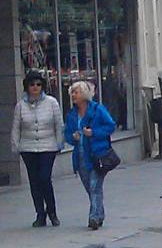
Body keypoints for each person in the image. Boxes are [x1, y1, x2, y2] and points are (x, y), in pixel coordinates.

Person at [10, 71, 63, 227]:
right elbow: (16, 127)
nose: (35, 87)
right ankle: (40, 214)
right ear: (27, 86)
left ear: (42, 86)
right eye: (32, 84)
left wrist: (59, 143)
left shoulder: (52, 103)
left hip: (48, 146)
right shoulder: (20, 106)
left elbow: (59, 125)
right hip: (28, 148)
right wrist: (16, 146)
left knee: (45, 178)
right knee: (34, 181)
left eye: (38, 84)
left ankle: (52, 211)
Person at [64, 81, 116, 230]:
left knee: (94, 185)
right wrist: (72, 137)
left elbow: (110, 126)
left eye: (76, 92)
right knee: (90, 187)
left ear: (84, 94)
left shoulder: (97, 110)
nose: (73, 95)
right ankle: (99, 213)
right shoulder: (71, 114)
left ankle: (93, 217)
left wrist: (93, 133)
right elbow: (67, 134)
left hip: (97, 155)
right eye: (72, 92)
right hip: (81, 156)